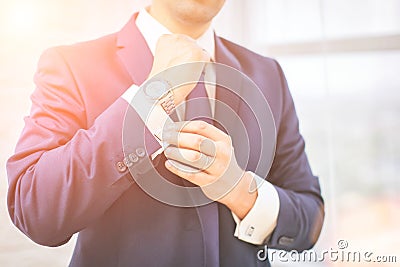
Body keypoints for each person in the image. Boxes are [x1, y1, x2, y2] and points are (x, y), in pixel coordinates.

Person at [6, 1, 324, 266]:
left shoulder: (267, 74)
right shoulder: (72, 65)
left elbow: (310, 223)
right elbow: (36, 211)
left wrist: (238, 190)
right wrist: (155, 96)